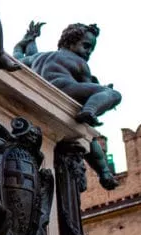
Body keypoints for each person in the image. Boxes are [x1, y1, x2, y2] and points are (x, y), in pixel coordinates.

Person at [13, 21, 121, 189]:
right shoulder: (79, 63)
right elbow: (90, 86)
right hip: (66, 90)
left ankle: (105, 172)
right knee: (112, 95)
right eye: (86, 46)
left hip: (42, 94)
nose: (88, 53)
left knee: (83, 133)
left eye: (91, 49)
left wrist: (27, 40)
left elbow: (17, 58)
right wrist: (102, 91)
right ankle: (90, 112)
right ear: (70, 42)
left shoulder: (38, 57)